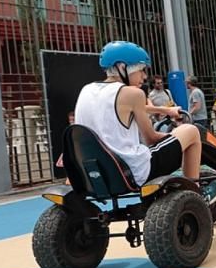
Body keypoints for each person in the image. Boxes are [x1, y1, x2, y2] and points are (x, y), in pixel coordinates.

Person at [73, 41, 200, 186]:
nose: (145, 76)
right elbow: (151, 139)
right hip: (133, 172)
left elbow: (124, 109)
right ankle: (194, 190)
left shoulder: (87, 90)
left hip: (97, 172)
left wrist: (165, 110)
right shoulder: (134, 94)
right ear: (122, 67)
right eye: (141, 70)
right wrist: (176, 137)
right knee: (191, 131)